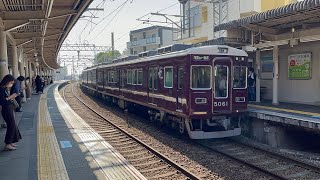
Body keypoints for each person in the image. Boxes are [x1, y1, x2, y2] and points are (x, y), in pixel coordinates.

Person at [0, 74, 22, 150]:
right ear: (7, 81)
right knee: (11, 126)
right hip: (6, 110)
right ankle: (7, 144)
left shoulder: (5, 89)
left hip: (9, 109)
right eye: (11, 83)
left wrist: (12, 97)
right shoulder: (1, 89)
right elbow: (2, 101)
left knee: (12, 125)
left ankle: (11, 142)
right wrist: (10, 97)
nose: (11, 85)